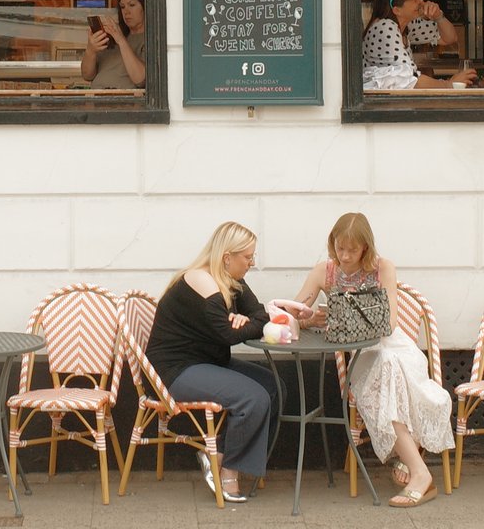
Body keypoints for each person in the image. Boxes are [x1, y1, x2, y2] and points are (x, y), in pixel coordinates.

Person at [288, 212, 452, 508]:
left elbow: (389, 324)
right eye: (339, 248)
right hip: (363, 356)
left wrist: (344, 315)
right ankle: (419, 468)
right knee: (385, 375)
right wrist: (310, 319)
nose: (345, 256)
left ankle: (418, 471)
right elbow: (294, 313)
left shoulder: (383, 268)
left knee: (389, 366)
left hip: (395, 348)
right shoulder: (324, 272)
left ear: (366, 247)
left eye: (352, 250)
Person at [146, 221, 275, 503]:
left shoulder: (232, 281)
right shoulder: (200, 280)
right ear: (227, 257)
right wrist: (246, 323)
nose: (252, 262)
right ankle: (226, 468)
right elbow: (229, 334)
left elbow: (261, 315)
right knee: (252, 397)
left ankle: (219, 455)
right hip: (175, 371)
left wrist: (247, 320)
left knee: (273, 386)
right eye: (248, 256)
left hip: (207, 362)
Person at [362, 0, 476, 90]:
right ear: (397, 10)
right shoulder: (384, 27)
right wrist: (449, 84)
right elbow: (412, 80)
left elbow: (450, 38)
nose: (420, 1)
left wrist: (438, 16)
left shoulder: (407, 25)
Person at [81, 0, 146, 88]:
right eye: (122, 7)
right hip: (96, 95)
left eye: (132, 5)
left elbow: (140, 79)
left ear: (145, 6)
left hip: (122, 97)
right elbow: (87, 75)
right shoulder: (112, 38)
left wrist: (121, 41)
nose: (126, 12)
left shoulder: (149, 39)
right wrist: (91, 50)